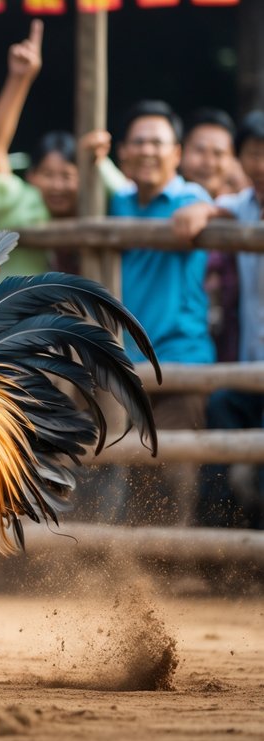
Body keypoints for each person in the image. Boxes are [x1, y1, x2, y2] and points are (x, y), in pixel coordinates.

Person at [102, 100, 214, 526]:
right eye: (139, 142)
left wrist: (204, 211)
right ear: (125, 153)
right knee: (134, 470)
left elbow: (214, 205)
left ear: (177, 153)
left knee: (174, 469)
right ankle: (136, 573)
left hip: (180, 356)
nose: (148, 150)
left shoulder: (191, 196)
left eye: (158, 142)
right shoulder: (118, 200)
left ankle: (172, 570)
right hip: (127, 361)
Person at [0, 20, 127, 278]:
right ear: (31, 176)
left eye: (67, 175)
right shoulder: (23, 204)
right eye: (48, 174)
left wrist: (98, 160)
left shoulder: (106, 203)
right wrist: (19, 79)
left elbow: (126, 193)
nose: (57, 185)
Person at [172, 110, 264, 529]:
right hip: (248, 367)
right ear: (240, 160)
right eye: (253, 153)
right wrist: (201, 211)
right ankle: (218, 557)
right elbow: (199, 208)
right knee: (222, 425)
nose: (261, 165)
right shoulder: (242, 206)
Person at [179, 108, 243, 365]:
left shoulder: (243, 208)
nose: (208, 162)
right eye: (199, 150)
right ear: (180, 152)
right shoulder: (163, 206)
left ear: (234, 161)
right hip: (181, 350)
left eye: (218, 154)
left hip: (236, 347)